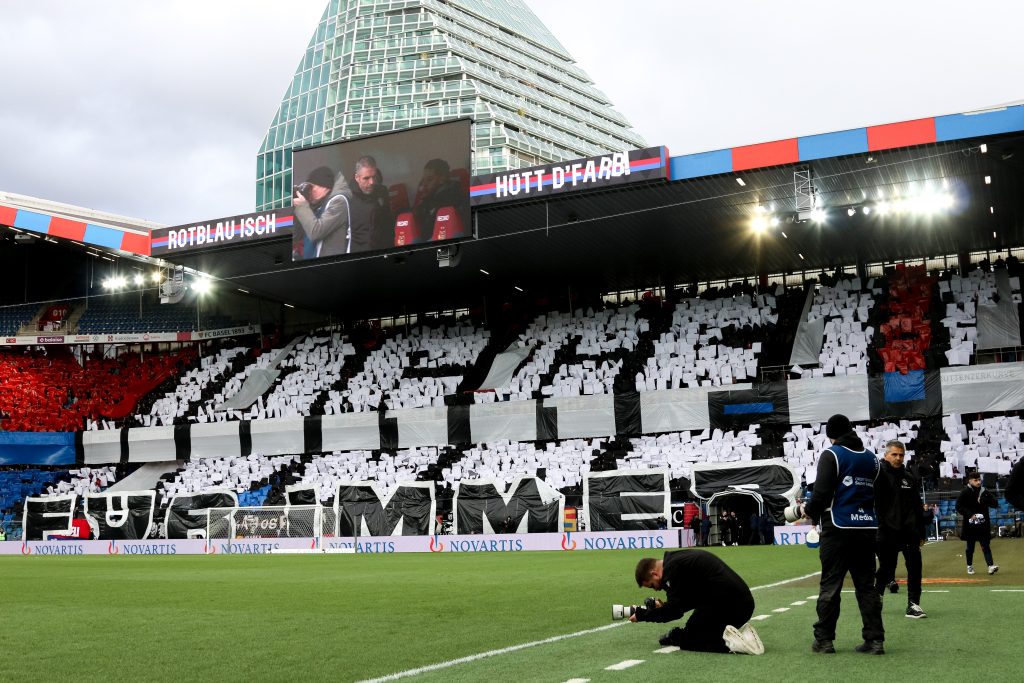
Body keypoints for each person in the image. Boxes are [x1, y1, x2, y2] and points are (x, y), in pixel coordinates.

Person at [800, 414, 884, 655]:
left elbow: (821, 494)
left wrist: (807, 511)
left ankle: (825, 640)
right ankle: (875, 640)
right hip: (867, 528)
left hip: (837, 528)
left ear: (831, 434)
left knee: (831, 585)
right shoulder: (872, 459)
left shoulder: (831, 455)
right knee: (867, 587)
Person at [631, 550, 763, 655]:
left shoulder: (673, 570)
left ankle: (738, 644)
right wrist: (665, 606)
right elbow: (687, 600)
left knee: (690, 640)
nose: (655, 589)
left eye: (652, 586)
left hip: (733, 606)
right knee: (692, 630)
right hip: (735, 603)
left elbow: (674, 612)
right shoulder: (675, 561)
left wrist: (642, 615)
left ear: (654, 574)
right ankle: (680, 636)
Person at [873, 440, 927, 619]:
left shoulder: (909, 477)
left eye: (901, 455)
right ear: (886, 455)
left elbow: (917, 505)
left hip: (909, 532)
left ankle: (914, 604)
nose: (898, 458)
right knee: (887, 568)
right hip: (887, 530)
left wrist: (921, 530)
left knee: (915, 568)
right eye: (894, 454)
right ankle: (877, 596)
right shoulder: (878, 475)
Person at [293, 165, 352, 258]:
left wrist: (302, 207)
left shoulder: (339, 202)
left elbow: (316, 232)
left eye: (311, 187)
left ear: (324, 187)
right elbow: (296, 236)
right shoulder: (317, 206)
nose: (309, 191)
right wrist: (298, 208)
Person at [955, 472, 999, 575]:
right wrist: (970, 514)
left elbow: (995, 503)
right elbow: (958, 506)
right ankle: (969, 566)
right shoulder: (964, 492)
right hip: (970, 525)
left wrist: (983, 500)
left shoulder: (984, 491)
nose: (978, 482)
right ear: (970, 481)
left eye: (979, 480)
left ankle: (990, 566)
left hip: (983, 524)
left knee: (985, 545)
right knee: (970, 548)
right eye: (976, 480)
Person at [347, 155, 393, 253]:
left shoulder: (382, 192)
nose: (372, 182)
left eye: (374, 177)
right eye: (366, 178)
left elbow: (389, 224)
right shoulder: (347, 198)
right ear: (357, 177)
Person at [412, 158, 467, 238]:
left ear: (442, 179)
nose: (424, 184)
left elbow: (426, 230)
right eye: (423, 180)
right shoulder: (429, 197)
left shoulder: (449, 198)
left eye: (429, 179)